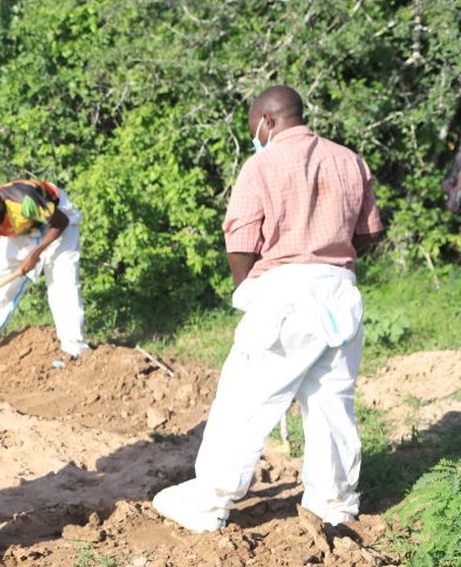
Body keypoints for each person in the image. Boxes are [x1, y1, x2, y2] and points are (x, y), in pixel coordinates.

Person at [151, 85, 385, 532]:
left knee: (247, 400)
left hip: (285, 293)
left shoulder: (261, 165)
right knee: (332, 401)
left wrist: (248, 289)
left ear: (268, 121)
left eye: (254, 127)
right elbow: (370, 232)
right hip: (340, 290)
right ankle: (333, 504)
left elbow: (241, 238)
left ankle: (209, 501)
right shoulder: (350, 160)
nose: (255, 136)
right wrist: (331, 256)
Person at [0, 179, 90, 361]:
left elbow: (61, 221)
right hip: (23, 228)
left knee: (62, 283)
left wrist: (35, 254)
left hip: (57, 221)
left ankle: (75, 347)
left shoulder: (23, 200)